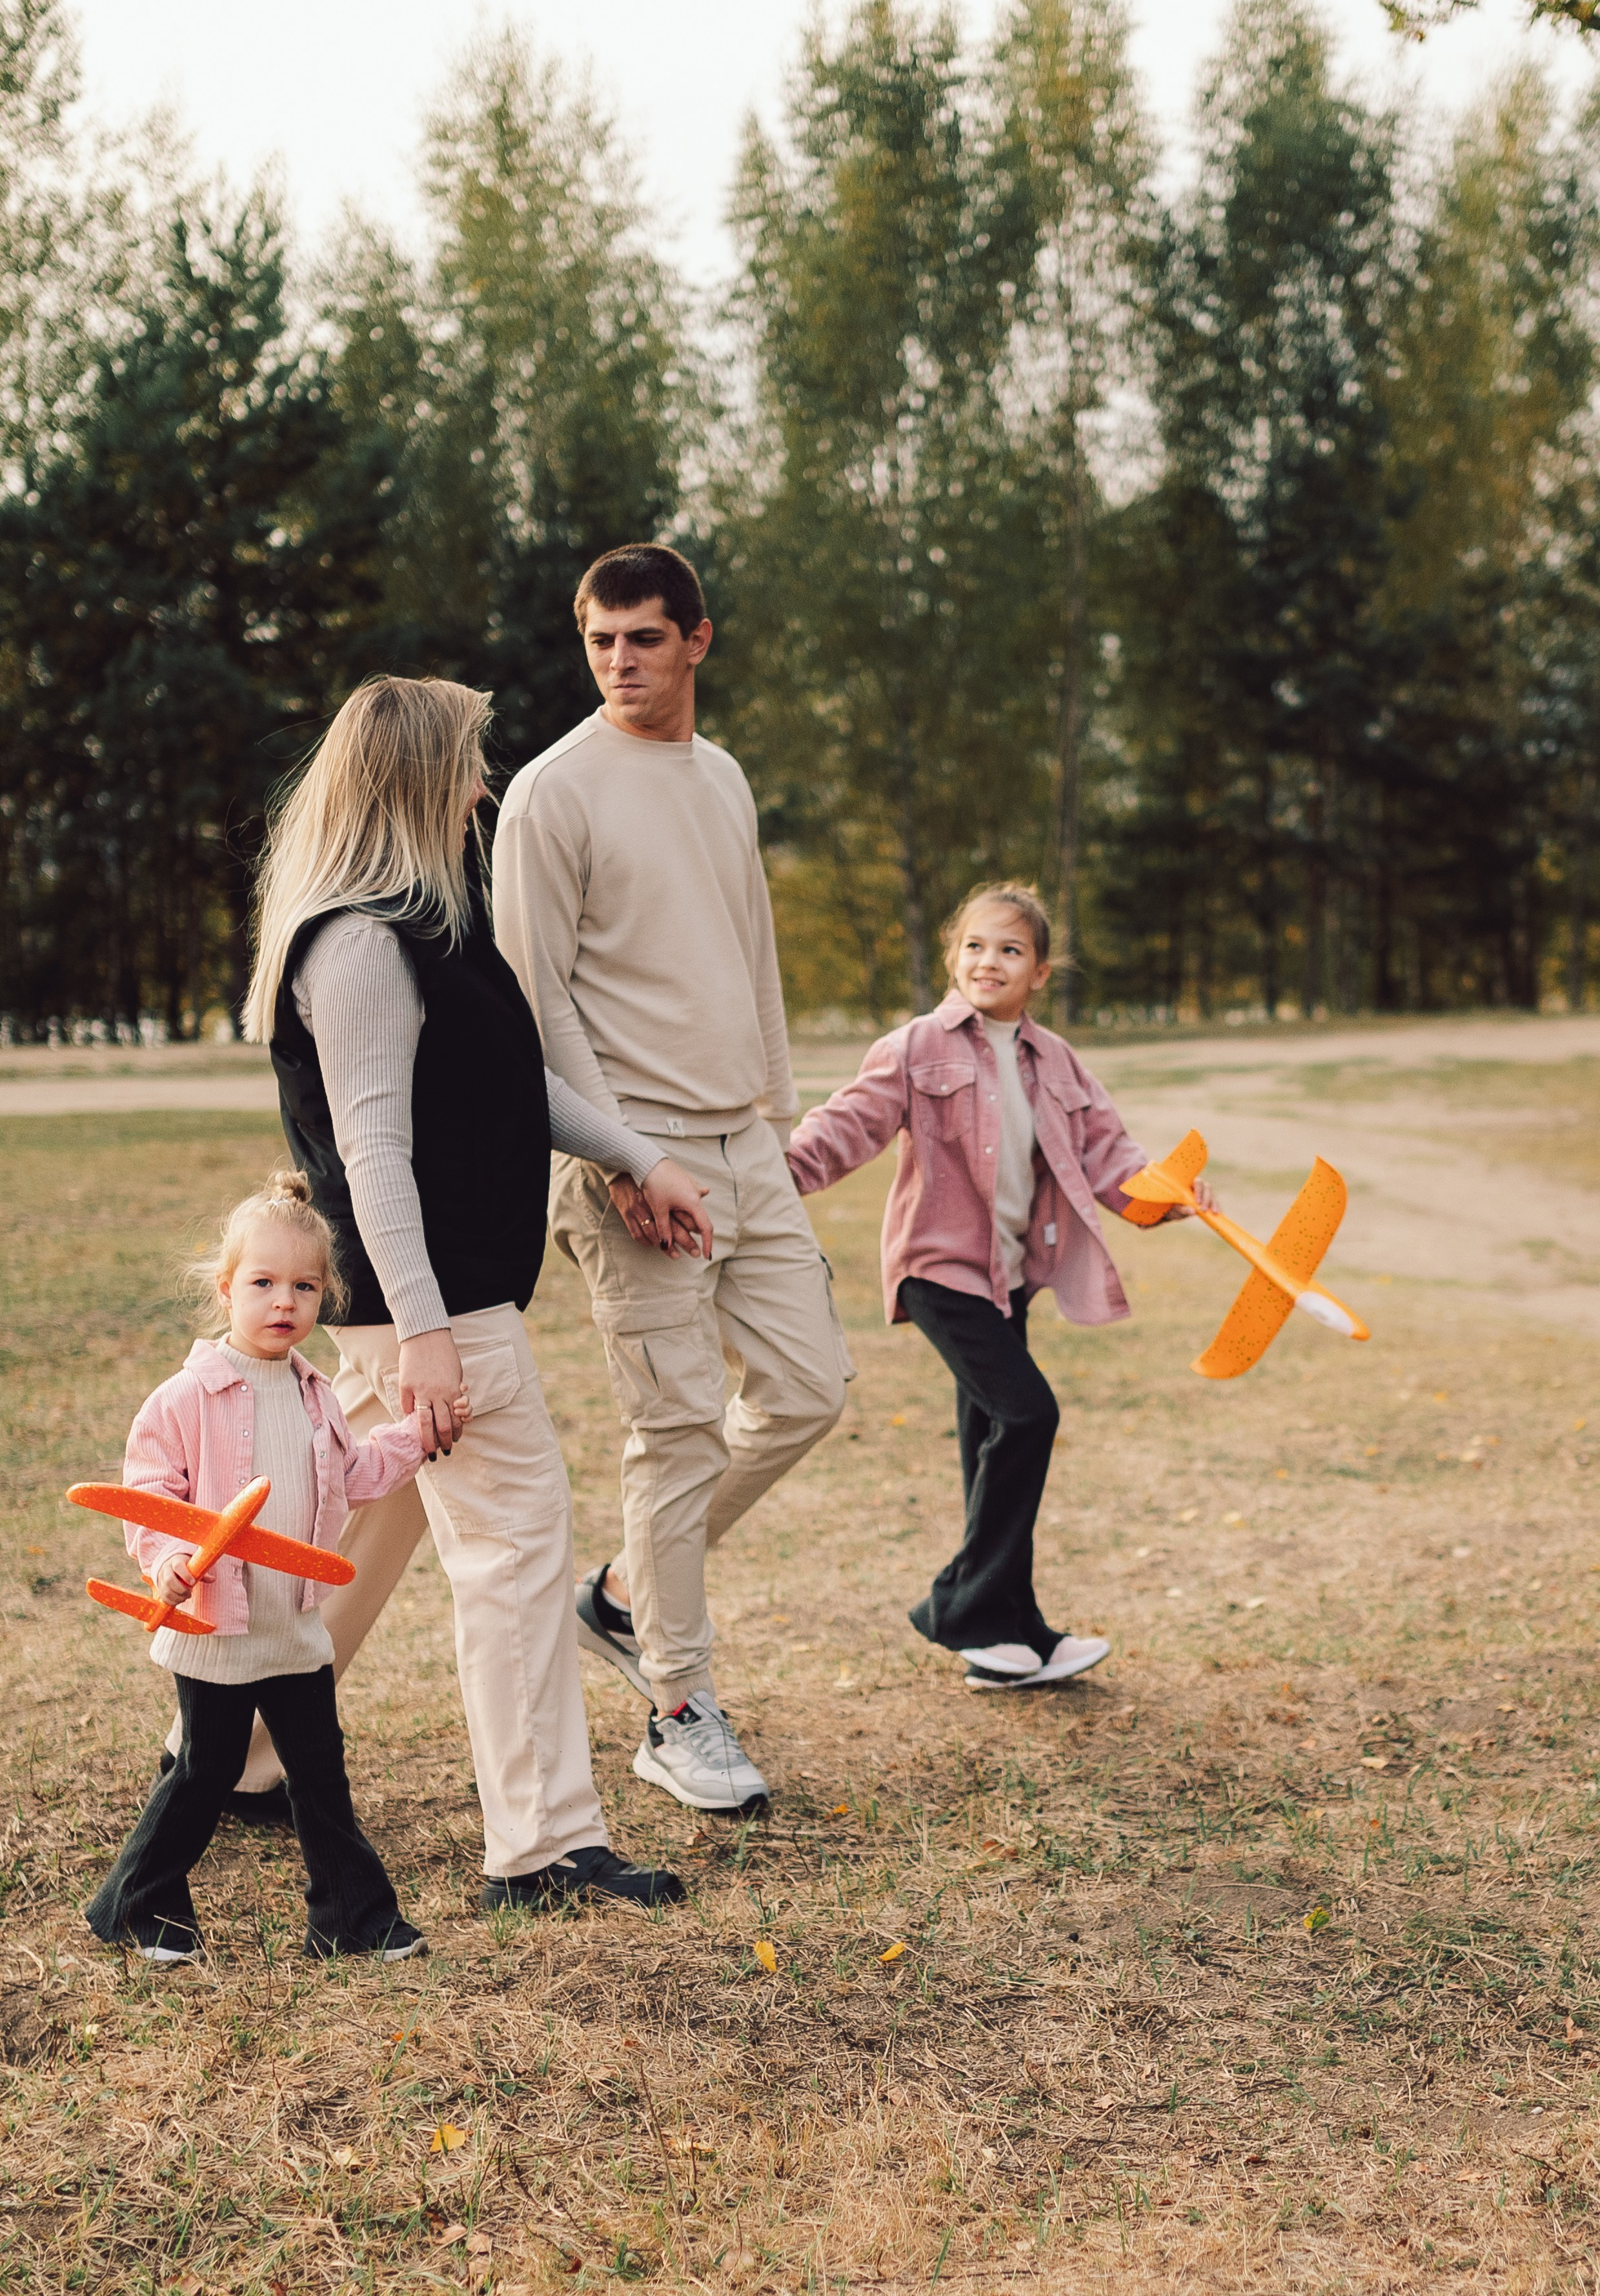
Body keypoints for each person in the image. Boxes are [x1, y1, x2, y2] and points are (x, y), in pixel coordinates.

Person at [216, 674, 711, 1909]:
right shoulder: (358, 945)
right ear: (420, 779)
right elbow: (375, 1153)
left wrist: (635, 1156)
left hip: (426, 1307)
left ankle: (231, 1755)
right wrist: (427, 1336)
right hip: (431, 1306)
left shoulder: (433, 923)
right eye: (470, 764)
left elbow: (511, 1087)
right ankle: (543, 1845)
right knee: (516, 1549)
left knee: (349, 1528)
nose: (486, 786)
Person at [494, 544, 852, 1817]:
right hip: (630, 1157)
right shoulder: (550, 794)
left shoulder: (722, 774)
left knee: (808, 1389)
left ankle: (621, 1593)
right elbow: (534, 1002)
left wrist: (775, 1118)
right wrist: (616, 1157)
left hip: (742, 1140)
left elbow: (751, 954)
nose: (619, 662)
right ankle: (677, 1709)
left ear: (697, 639)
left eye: (643, 637)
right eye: (600, 641)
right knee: (678, 1431)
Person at [784, 883, 1213, 1691]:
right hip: (940, 1269)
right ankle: (964, 1607)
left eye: (1011, 950)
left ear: (1039, 972)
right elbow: (847, 1124)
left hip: (1007, 1278)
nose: (990, 962)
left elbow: (1110, 1153)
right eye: (976, 946)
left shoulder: (1055, 1061)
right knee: (1028, 1415)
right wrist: (773, 1174)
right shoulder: (917, 1046)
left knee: (991, 1441)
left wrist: (1167, 1196)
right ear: (954, 956)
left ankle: (1013, 1633)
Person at [86, 1174, 440, 1964]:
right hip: (218, 1628)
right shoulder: (186, 1398)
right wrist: (169, 1559)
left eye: (305, 1287)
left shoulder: (316, 1396)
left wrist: (416, 1436)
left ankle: (351, 1918)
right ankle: (136, 1904)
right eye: (264, 1284)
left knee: (320, 1773)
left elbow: (353, 1476)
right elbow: (150, 1495)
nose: (285, 1301)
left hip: (292, 1627)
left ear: (325, 1296)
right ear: (226, 1289)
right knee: (204, 1771)